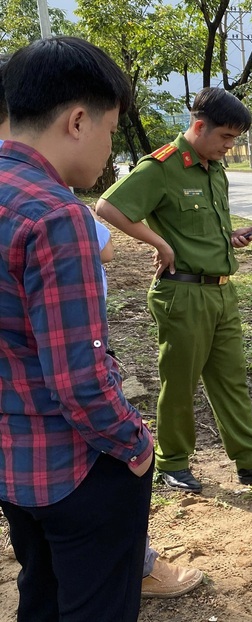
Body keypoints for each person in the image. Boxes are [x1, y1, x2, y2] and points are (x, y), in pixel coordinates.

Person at [0, 36, 153, 622]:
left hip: (14, 464)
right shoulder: (57, 215)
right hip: (76, 468)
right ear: (78, 120)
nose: (111, 147)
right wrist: (135, 447)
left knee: (40, 596)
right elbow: (80, 381)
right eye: (112, 131)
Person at [96, 87, 252, 493]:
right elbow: (107, 207)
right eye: (225, 137)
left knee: (231, 379)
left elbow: (203, 227)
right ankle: (172, 462)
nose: (230, 146)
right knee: (180, 382)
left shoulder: (213, 168)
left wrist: (230, 237)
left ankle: (251, 461)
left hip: (222, 291)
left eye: (234, 139)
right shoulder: (162, 167)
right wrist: (160, 243)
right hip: (183, 293)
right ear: (199, 126)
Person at [91, 210, 204, 598]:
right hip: (74, 362)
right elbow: (103, 244)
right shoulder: (53, 207)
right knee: (112, 467)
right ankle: (136, 568)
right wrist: (130, 439)